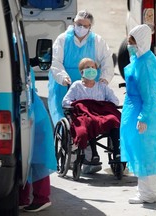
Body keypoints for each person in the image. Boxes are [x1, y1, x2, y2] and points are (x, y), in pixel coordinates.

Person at [48, 10, 114, 171]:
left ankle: (88, 152)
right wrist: (63, 77)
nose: (81, 28)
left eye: (85, 25)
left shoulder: (97, 41)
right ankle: (71, 152)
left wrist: (104, 78)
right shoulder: (63, 39)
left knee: (90, 116)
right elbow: (56, 61)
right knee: (65, 117)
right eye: (78, 24)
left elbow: (106, 61)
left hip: (90, 86)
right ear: (74, 23)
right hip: (64, 84)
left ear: (90, 26)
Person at [120, 24, 156, 204]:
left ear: (141, 42)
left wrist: (143, 117)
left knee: (144, 154)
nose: (129, 45)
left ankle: (146, 194)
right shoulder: (141, 58)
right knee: (147, 152)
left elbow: (149, 94)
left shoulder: (146, 64)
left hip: (144, 113)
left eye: (132, 42)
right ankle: (154, 191)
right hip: (139, 111)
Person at [62, 58, 120, 169]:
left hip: (101, 114)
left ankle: (117, 151)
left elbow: (115, 101)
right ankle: (93, 153)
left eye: (93, 67)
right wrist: (77, 105)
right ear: (81, 72)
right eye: (87, 67)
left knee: (113, 119)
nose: (91, 69)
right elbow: (65, 102)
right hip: (85, 115)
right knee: (89, 121)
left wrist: (104, 104)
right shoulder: (77, 86)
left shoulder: (102, 86)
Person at [19, 69, 57, 213]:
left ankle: (41, 198)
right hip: (34, 115)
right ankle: (23, 199)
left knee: (36, 160)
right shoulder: (25, 68)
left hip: (34, 119)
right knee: (28, 160)